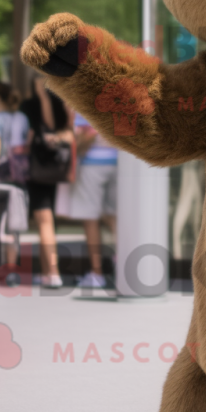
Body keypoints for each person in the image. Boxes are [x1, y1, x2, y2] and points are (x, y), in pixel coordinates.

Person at [20, 76, 73, 288]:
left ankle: (53, 271)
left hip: (40, 169)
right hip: (52, 169)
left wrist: (43, 98)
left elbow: (49, 127)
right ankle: (46, 271)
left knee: (45, 220)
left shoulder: (42, 104)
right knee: (47, 221)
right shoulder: (52, 103)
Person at [69, 113, 117, 288]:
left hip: (92, 163)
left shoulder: (86, 97)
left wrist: (75, 147)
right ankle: (123, 264)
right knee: (114, 217)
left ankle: (97, 273)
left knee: (90, 219)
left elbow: (88, 133)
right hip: (118, 162)